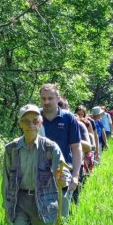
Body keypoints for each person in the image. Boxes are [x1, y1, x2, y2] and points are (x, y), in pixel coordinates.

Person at [2, 104, 70, 225]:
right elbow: (5, 179)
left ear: (40, 123)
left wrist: (63, 178)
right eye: (26, 121)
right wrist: (6, 206)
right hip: (19, 202)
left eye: (34, 121)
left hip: (45, 201)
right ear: (20, 124)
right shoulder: (11, 149)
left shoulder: (50, 147)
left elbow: (62, 170)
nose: (30, 125)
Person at [39, 84, 82, 217]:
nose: (46, 102)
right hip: (40, 170)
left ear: (58, 98)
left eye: (50, 98)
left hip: (62, 171)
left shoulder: (68, 118)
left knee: (62, 214)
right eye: (43, 98)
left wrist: (75, 175)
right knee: (41, 214)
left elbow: (76, 147)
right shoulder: (35, 118)